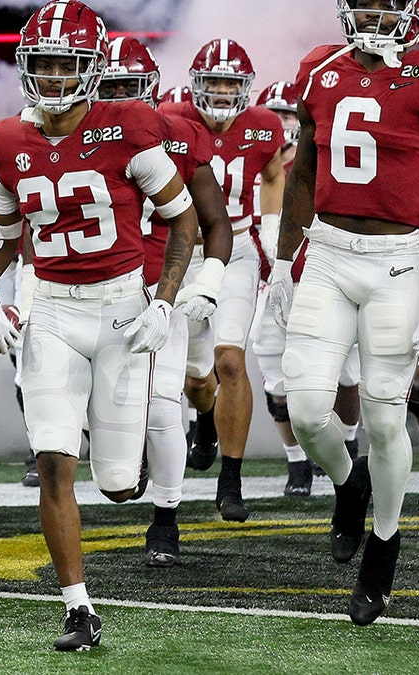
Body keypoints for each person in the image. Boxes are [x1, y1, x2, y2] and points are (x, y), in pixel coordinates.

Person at [0, 0, 200, 650]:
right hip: (55, 310)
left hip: (120, 306)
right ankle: (77, 607)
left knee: (118, 485)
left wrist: (165, 299)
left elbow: (183, 220)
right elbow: (7, 242)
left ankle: (134, 463)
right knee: (55, 461)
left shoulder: (131, 125)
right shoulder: (9, 139)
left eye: (69, 65)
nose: (57, 78)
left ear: (92, 69)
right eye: (46, 64)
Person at [271, 0, 419, 625]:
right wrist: (284, 261)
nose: (372, 11)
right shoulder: (320, 68)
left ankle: (385, 540)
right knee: (305, 409)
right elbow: (302, 175)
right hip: (328, 253)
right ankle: (348, 482)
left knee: (386, 419)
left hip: (396, 263)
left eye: (385, 1)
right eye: (363, 0)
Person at [96, 35, 233, 565]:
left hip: (163, 287)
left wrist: (212, 278)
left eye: (131, 89)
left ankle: (167, 518)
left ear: (151, 89)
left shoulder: (179, 136)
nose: (122, 101)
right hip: (97, 290)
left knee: (172, 399)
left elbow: (215, 221)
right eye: (111, 89)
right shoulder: (65, 137)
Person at [157, 38, 285, 522]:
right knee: (195, 378)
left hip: (237, 250)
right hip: (183, 251)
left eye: (232, 82)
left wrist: (271, 231)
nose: (223, 91)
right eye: (214, 81)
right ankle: (205, 416)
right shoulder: (172, 119)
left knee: (230, 360)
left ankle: (231, 479)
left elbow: (274, 174)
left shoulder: (264, 126)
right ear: (195, 85)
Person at [249, 79, 363, 497]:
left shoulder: (327, 159)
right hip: (274, 284)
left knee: (348, 372)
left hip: (328, 279)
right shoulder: (253, 171)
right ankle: (297, 463)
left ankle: (348, 439)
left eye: (287, 114)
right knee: (277, 378)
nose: (283, 124)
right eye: (274, 115)